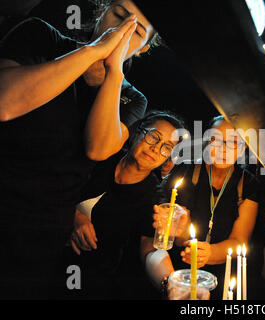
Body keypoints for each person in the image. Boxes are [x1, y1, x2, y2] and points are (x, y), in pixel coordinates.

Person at [0, 0, 154, 298]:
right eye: (119, 15)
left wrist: (114, 74)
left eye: (136, 32)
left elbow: (98, 148)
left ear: (145, 48)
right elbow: (5, 102)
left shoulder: (133, 99)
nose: (120, 32)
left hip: (43, 236)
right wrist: (93, 51)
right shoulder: (40, 35)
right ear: (100, 12)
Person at [69, 111, 191, 299]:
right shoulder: (102, 153)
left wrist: (172, 283)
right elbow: (54, 185)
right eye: (153, 137)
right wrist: (73, 217)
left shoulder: (154, 198)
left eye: (167, 147)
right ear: (137, 133)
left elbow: (151, 249)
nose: (156, 149)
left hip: (92, 280)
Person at [154, 115, 262, 300]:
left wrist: (211, 253)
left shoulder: (249, 184)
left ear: (243, 147)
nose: (222, 148)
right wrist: (180, 234)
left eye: (233, 142)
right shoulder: (188, 170)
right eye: (215, 139)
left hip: (223, 276)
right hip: (178, 270)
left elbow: (239, 240)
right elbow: (177, 231)